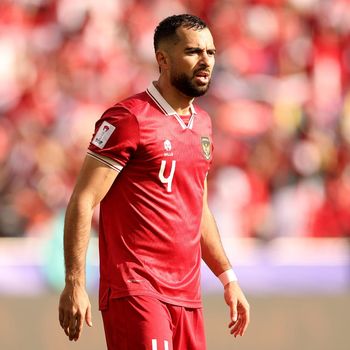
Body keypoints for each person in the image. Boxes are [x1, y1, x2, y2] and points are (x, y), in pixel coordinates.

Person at [58, 14, 250, 350]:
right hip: (137, 290)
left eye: (211, 52)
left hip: (188, 297)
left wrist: (228, 278)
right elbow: (84, 199)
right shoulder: (129, 119)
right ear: (163, 59)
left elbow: (198, 210)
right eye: (193, 52)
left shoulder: (203, 125)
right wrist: (74, 282)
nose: (206, 61)